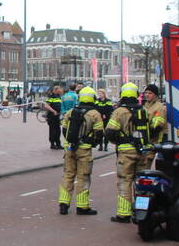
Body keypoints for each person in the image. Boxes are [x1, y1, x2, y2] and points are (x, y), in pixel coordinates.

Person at [104, 82, 152, 223]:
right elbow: (150, 130)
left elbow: (110, 132)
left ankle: (124, 214)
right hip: (142, 152)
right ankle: (141, 213)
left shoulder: (120, 112)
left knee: (125, 182)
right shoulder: (143, 110)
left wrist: (121, 141)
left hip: (126, 153)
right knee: (142, 184)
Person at [57, 86, 105, 215]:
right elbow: (99, 133)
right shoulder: (95, 114)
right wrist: (93, 143)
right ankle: (82, 206)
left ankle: (63, 204)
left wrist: (69, 142)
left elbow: (64, 129)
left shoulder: (71, 111)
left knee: (68, 175)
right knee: (83, 177)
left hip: (70, 149)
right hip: (84, 150)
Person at [141, 83, 168, 167]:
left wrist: (146, 131)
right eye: (146, 93)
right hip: (147, 139)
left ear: (155, 95)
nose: (147, 95)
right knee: (144, 162)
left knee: (157, 162)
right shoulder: (143, 106)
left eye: (150, 93)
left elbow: (158, 125)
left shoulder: (159, 107)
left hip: (157, 139)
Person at [44, 84, 64, 149]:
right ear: (56, 90)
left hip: (57, 117)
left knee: (58, 131)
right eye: (60, 89)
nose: (61, 90)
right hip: (52, 116)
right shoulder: (51, 96)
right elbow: (46, 105)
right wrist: (53, 111)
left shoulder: (59, 97)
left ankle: (58, 144)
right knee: (53, 131)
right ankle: (52, 144)